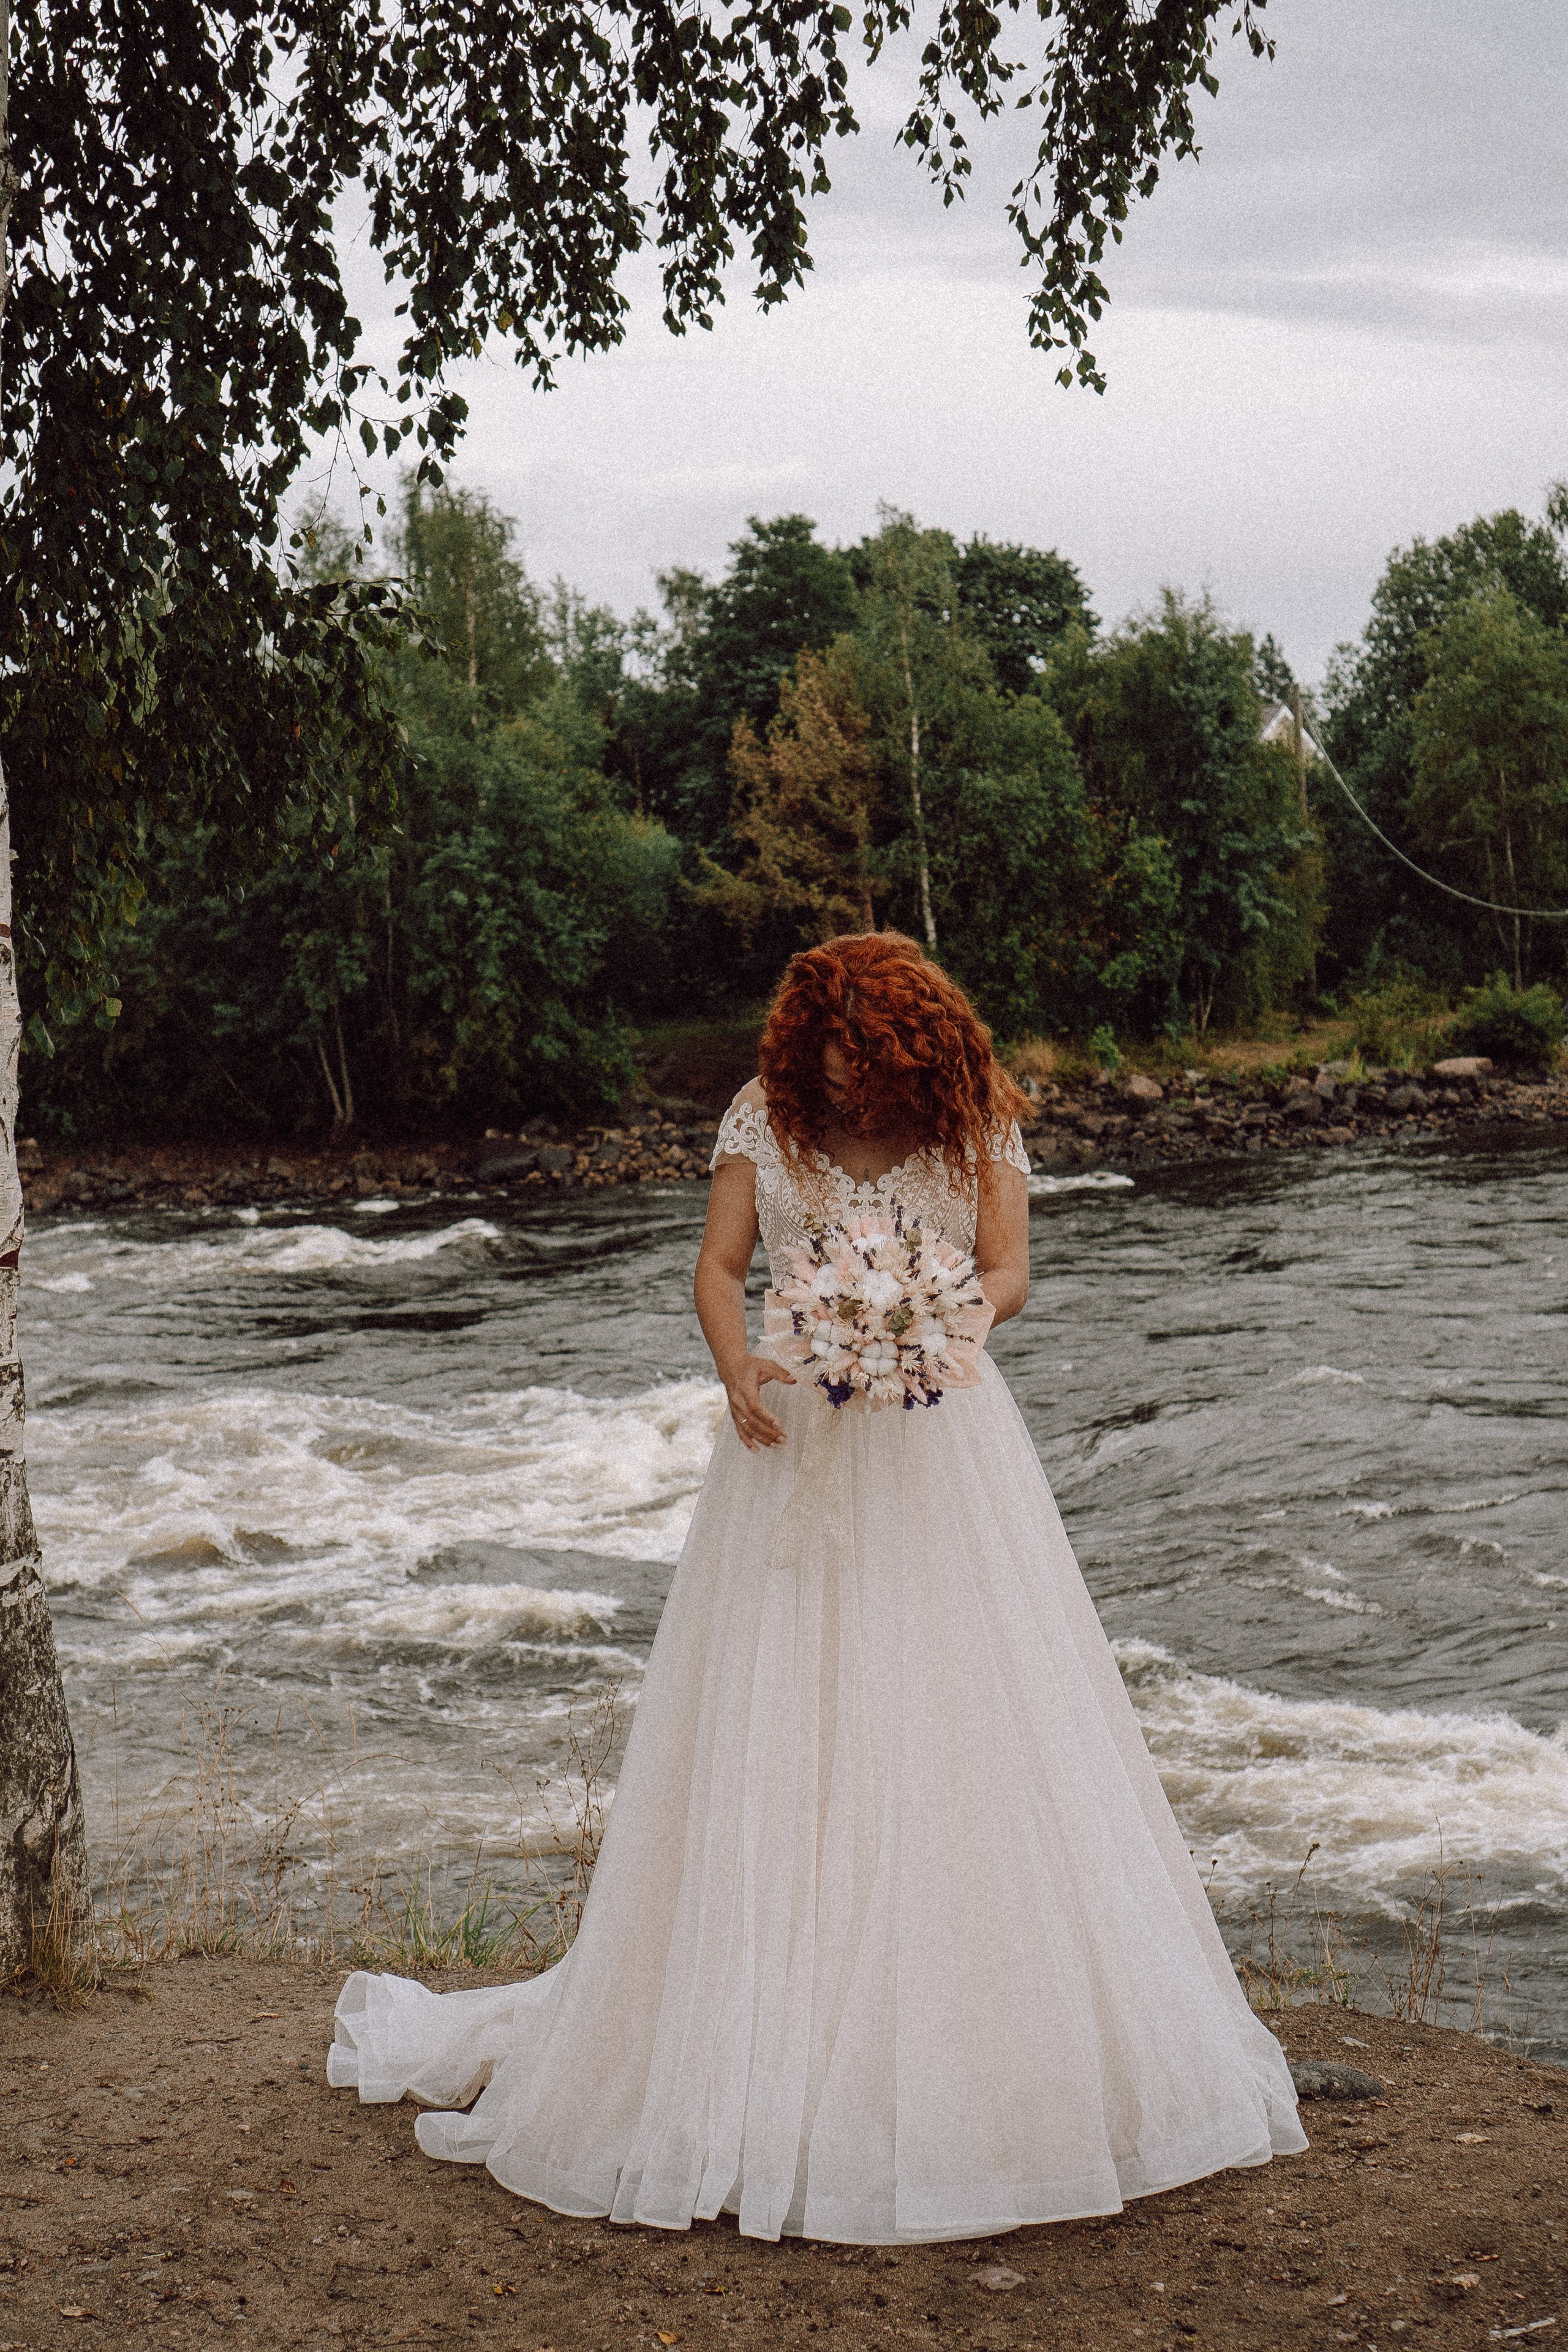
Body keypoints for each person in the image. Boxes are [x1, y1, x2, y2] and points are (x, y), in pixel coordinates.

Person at [328, 930, 1303, 2244]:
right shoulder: (760, 1117)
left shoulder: (975, 1124)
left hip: (940, 1438)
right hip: (787, 1448)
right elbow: (718, 1268)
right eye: (827, 1061)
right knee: (782, 1706)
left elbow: (1010, 1273)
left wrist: (927, 1321)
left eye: (866, 1062)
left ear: (914, 1049)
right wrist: (737, 1367)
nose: (845, 1086)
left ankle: (966, 2036)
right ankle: (760, 2030)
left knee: (958, 1705)